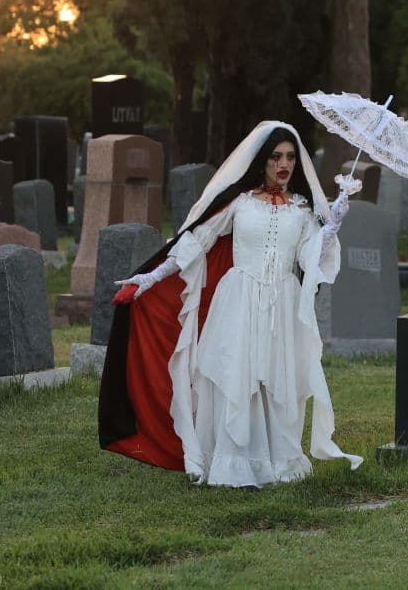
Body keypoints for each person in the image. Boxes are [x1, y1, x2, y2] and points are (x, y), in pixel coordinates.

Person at [98, 121, 363, 488]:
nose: (283, 164)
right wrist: (151, 278)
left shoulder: (302, 210)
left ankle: (279, 461)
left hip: (282, 302)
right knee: (236, 377)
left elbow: (308, 261)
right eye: (275, 157)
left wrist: (328, 232)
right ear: (262, 160)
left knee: (279, 380)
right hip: (238, 298)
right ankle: (235, 463)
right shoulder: (239, 203)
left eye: (289, 157)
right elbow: (197, 241)